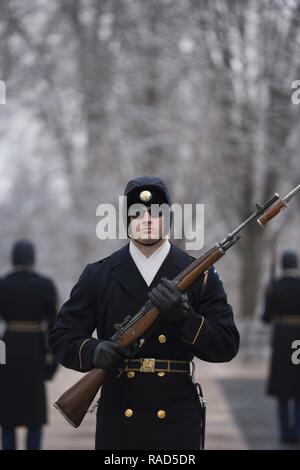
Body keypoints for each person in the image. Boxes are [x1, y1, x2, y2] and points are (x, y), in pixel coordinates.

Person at [50, 176, 239, 450]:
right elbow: (61, 338)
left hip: (177, 422)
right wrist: (93, 351)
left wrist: (185, 319)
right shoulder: (99, 274)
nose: (147, 219)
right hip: (120, 422)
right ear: (126, 220)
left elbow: (226, 344)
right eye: (137, 213)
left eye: (157, 212)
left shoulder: (201, 274)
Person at [0, 240, 58, 450]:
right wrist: (52, 362)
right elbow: (54, 326)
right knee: (34, 416)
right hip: (35, 351)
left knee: (7, 417)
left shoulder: (2, 284)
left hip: (7, 350)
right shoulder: (45, 285)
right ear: (32, 257)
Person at [262, 250, 300, 444]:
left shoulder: (274, 286)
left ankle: (286, 433)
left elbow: (267, 317)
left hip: (283, 338)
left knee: (284, 387)